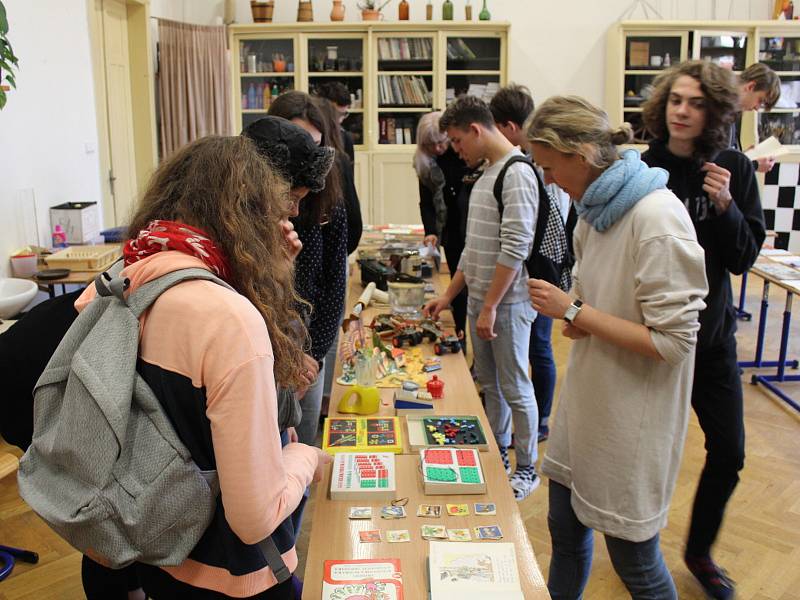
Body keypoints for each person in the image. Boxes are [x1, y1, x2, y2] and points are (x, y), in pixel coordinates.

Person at [526, 95, 708, 599]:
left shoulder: (657, 218)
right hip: (591, 400)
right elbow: (608, 302)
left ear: (580, 154)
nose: (549, 180)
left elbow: (673, 342)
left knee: (635, 559)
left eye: (550, 166)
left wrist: (575, 311)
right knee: (564, 527)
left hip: (632, 416)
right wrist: (584, 316)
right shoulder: (596, 210)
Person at [642, 60, 766, 600]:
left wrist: (725, 206)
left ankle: (699, 551)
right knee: (645, 448)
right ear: (662, 106)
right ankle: (637, 540)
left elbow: (743, 258)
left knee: (730, 451)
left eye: (695, 102)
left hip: (711, 340)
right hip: (650, 339)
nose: (683, 111)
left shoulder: (733, 167)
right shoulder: (646, 170)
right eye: (675, 101)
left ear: (713, 109)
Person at [423, 95, 540, 501]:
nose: (456, 150)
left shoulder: (517, 172)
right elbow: (474, 249)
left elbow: (516, 246)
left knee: (515, 386)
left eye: (457, 141)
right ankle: (498, 456)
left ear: (476, 130)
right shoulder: (487, 172)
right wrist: (448, 296)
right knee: (490, 383)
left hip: (506, 304)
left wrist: (490, 305)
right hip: (482, 301)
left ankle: (527, 467)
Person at [263, 93, 350, 447]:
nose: (306, 157)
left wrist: (310, 358)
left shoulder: (328, 202)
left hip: (309, 345)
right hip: (267, 345)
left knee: (304, 444)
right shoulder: (252, 206)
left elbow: (334, 285)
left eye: (314, 145)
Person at [490, 83, 571, 443]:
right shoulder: (530, 160)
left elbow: (541, 228)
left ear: (508, 126)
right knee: (534, 347)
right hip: (537, 270)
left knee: (539, 345)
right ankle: (534, 415)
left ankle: (539, 418)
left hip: (541, 272)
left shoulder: (532, 164)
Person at [413, 111, 469, 342]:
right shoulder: (425, 162)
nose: (437, 148)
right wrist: (431, 232)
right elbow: (426, 202)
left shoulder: (462, 155)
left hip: (466, 226)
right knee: (457, 287)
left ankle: (463, 333)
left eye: (441, 142)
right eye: (430, 145)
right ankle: (459, 332)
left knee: (468, 288)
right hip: (449, 232)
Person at [732, 63, 782, 173]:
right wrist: (752, 163)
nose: (756, 108)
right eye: (760, 100)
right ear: (750, 87)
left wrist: (744, 156)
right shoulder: (722, 112)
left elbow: (724, 157)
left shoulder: (732, 113)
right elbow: (715, 166)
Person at [313, 80, 355, 162]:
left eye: (343, 114)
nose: (339, 120)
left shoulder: (346, 138)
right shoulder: (309, 135)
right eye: (335, 114)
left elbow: (349, 173)